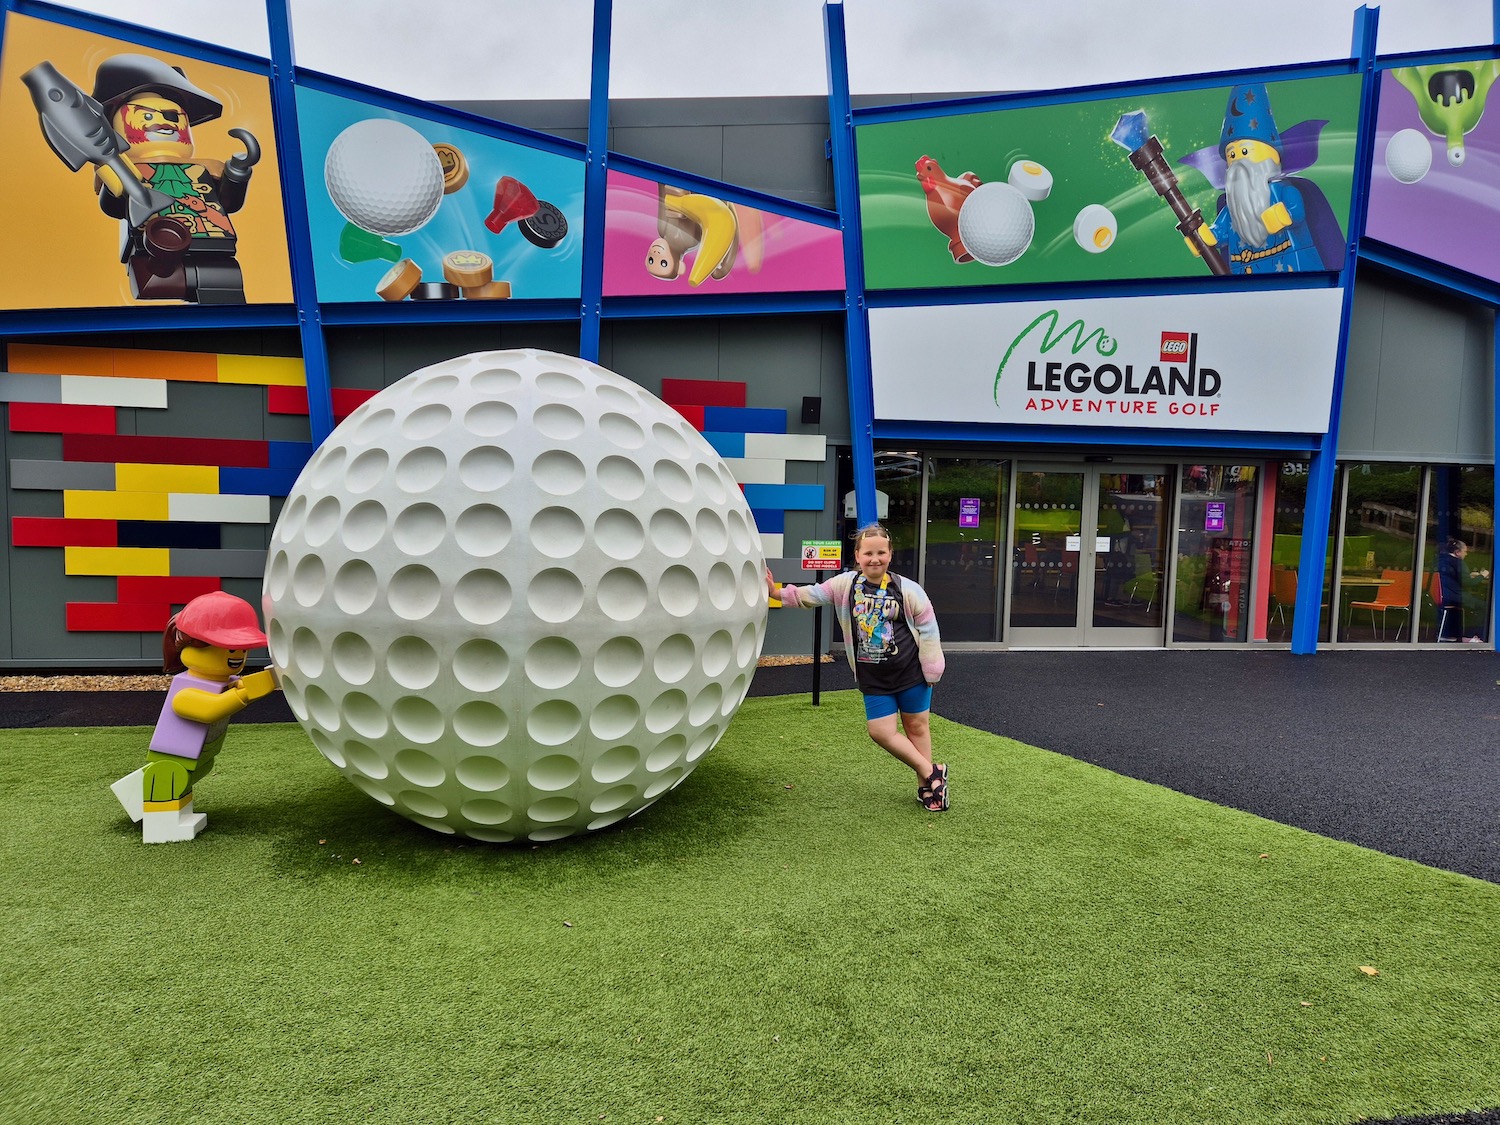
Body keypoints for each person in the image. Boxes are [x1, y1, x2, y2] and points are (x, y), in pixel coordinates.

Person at [765, 524, 948, 812]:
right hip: (873, 677)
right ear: (858, 555)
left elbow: (928, 628)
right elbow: (810, 595)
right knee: (880, 731)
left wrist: (932, 669)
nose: (875, 559)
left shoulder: (908, 589)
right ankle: (933, 772)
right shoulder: (845, 585)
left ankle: (927, 788)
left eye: (881, 553)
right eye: (868, 553)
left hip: (911, 673)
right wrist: (775, 592)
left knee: (916, 727)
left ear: (890, 554)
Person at [109, 592, 279, 842]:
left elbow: (236, 691)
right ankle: (164, 824)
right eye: (231, 648)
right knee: (170, 781)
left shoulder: (226, 682)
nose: (238, 656)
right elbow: (210, 709)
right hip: (171, 760)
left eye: (242, 649)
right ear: (191, 645)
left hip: (199, 755)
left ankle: (178, 812)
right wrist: (245, 695)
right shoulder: (186, 690)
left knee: (193, 775)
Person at [1437, 537, 1491, 642]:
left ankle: (1448, 633)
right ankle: (1469, 636)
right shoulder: (1458, 563)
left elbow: (1455, 577)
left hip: (1442, 595)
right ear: (1457, 552)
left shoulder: (1441, 560)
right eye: (1464, 551)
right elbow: (1468, 583)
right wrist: (1482, 575)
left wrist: (1470, 575)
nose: (1466, 554)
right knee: (1486, 607)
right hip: (1456, 597)